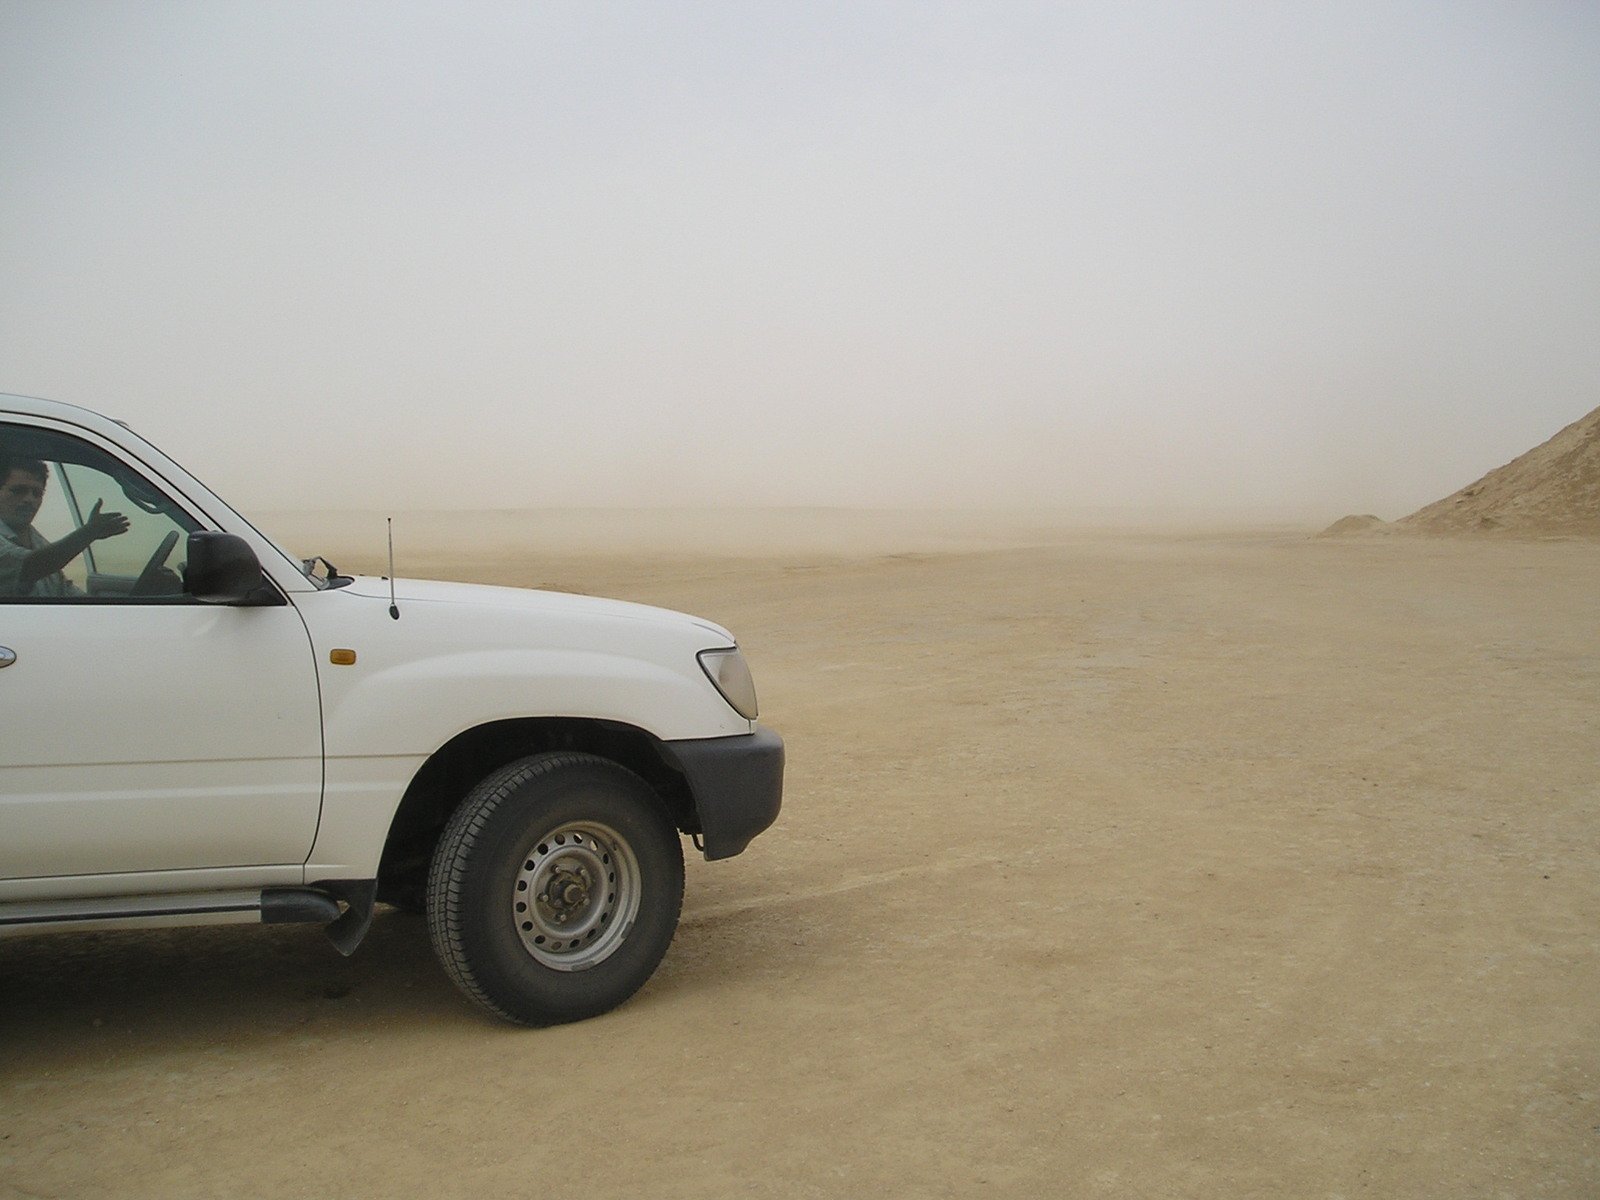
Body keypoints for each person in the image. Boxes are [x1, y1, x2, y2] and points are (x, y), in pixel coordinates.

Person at [0, 455, 129, 597]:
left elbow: (67, 593)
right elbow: (30, 567)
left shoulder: (38, 542)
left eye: (37, 493)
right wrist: (88, 533)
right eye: (18, 490)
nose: (29, 499)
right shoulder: (44, 557)